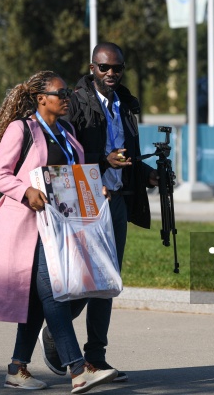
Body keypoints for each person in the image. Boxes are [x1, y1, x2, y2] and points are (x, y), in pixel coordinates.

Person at [0, 70, 117, 393]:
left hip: (58, 229)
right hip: (26, 228)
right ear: (41, 99)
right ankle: (78, 370)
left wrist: (95, 189)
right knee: (51, 292)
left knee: (40, 301)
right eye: (61, 94)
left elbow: (72, 178)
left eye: (68, 94)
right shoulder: (21, 129)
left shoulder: (67, 132)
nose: (68, 99)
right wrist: (25, 191)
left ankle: (16, 368)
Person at [38, 43, 158, 382]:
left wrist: (146, 174)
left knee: (107, 281)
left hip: (117, 199)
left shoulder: (126, 102)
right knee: (86, 277)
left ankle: (96, 358)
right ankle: (56, 331)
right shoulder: (75, 102)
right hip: (85, 201)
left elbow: (128, 152)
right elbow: (67, 152)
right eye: (104, 68)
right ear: (92, 67)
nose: (111, 74)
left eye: (117, 68)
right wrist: (102, 161)